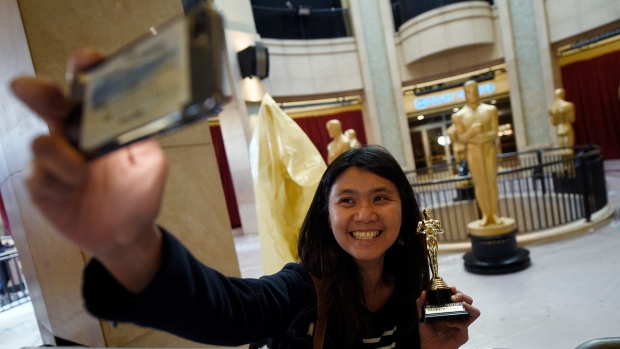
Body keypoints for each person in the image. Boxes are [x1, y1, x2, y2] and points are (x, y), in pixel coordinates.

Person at [11, 50, 479, 348]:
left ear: (404, 207)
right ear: (325, 213)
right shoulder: (301, 290)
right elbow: (231, 311)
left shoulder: (412, 285)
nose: (364, 214)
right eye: (346, 201)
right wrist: (128, 243)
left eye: (381, 197)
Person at [452, 80, 501, 227]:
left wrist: (481, 137)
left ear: (478, 91)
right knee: (479, 184)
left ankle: (494, 214)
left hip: (488, 149)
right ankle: (486, 215)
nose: (472, 94)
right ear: (465, 93)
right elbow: (462, 138)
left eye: (474, 90)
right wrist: (472, 131)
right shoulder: (459, 116)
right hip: (473, 151)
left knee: (491, 181)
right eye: (468, 91)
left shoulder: (490, 110)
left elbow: (495, 132)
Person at [548, 88, 575, 156]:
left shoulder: (552, 108)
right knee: (569, 148)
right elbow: (572, 119)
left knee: (563, 150)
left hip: (559, 129)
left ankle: (566, 165)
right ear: (563, 94)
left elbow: (553, 123)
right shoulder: (568, 105)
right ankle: (570, 166)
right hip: (567, 127)